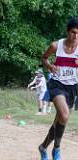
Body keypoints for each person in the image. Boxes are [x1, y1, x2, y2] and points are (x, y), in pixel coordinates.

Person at [39, 17, 78, 160]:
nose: (76, 36)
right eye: (73, 32)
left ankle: (43, 147)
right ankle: (56, 149)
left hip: (73, 88)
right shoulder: (56, 46)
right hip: (57, 85)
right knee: (65, 115)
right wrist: (50, 66)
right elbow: (44, 58)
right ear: (68, 32)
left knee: (59, 121)